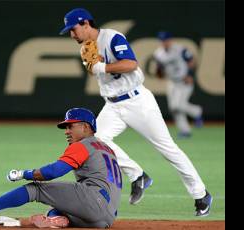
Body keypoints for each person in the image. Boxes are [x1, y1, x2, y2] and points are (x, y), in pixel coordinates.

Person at [59, 8, 212, 216]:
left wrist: (102, 67)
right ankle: (138, 175)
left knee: (168, 149)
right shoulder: (84, 49)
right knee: (96, 140)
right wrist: (98, 67)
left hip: (138, 101)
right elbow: (98, 69)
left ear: (86, 23)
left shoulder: (112, 37)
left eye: (73, 29)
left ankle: (201, 194)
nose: (72, 35)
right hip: (112, 105)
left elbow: (131, 64)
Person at [0, 108, 122, 228]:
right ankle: (56, 220)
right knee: (58, 205)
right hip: (106, 219)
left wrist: (25, 173)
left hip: (93, 201)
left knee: (35, 189)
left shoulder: (82, 145)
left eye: (70, 126)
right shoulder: (108, 149)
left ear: (86, 127)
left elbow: (53, 172)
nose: (66, 131)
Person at [153, 31, 204, 138]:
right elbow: (160, 71)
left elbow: (191, 61)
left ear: (170, 40)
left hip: (184, 81)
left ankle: (197, 112)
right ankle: (185, 131)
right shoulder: (158, 54)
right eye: (162, 40)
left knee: (178, 105)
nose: (164, 42)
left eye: (166, 40)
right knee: (173, 108)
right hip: (172, 82)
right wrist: (159, 71)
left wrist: (190, 75)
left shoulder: (180, 49)